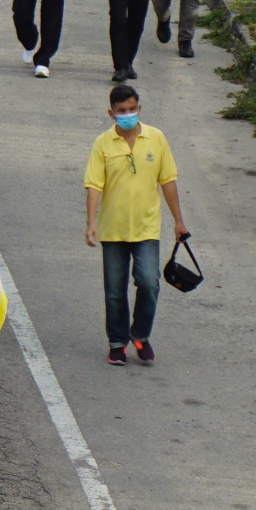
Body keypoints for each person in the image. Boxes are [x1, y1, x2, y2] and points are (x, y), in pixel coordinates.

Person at [84, 83, 190, 366]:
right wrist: (91, 222)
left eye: (132, 109)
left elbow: (167, 180)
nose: (128, 114)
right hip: (113, 229)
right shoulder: (102, 144)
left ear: (139, 109)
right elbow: (94, 184)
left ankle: (140, 335)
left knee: (149, 282)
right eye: (122, 111)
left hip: (146, 228)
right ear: (111, 113)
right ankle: (117, 342)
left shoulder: (156, 139)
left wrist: (179, 221)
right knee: (115, 290)